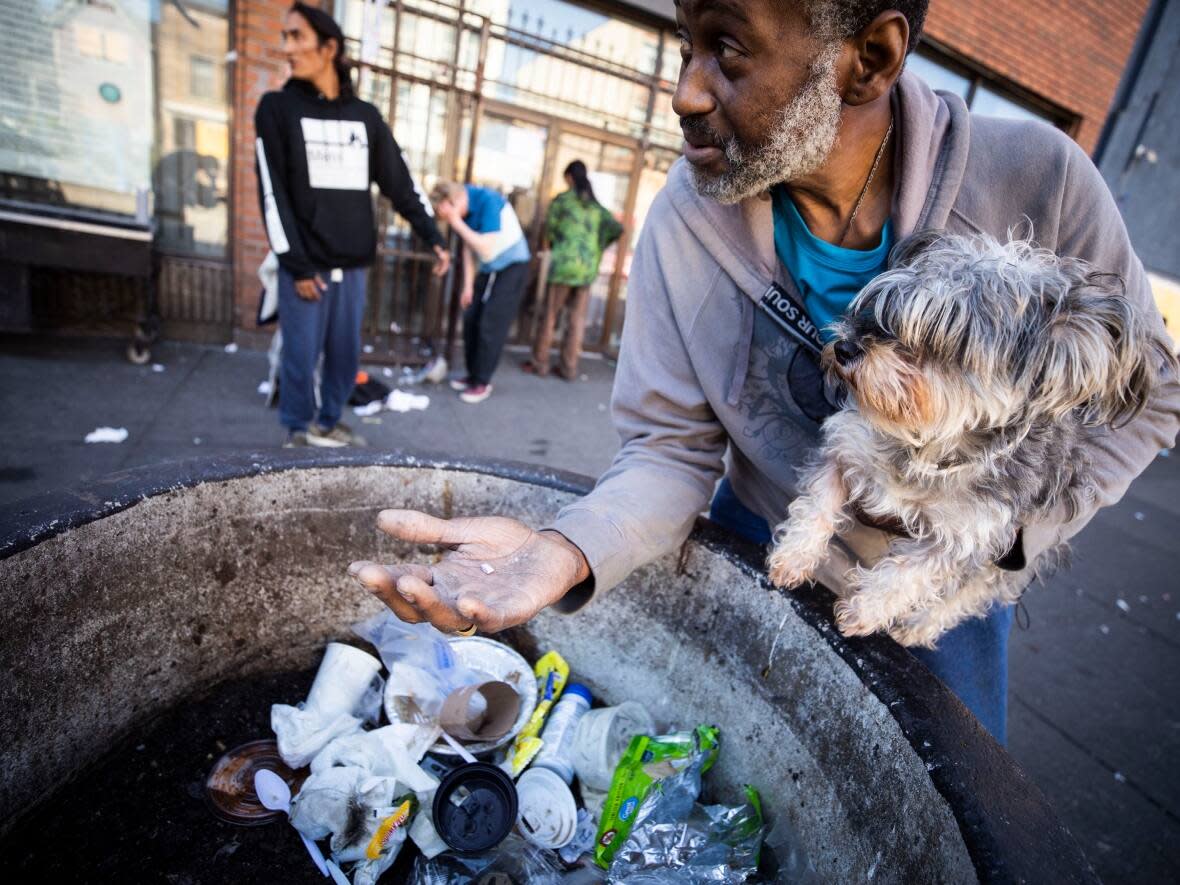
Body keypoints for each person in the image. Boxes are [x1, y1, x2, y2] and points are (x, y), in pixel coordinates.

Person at [348, 0, 1180, 744]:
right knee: (719, 768)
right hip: (761, 532)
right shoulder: (684, 218)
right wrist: (565, 549)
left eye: (729, 49)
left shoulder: (1039, 178)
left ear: (872, 57)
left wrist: (1009, 536)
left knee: (947, 823)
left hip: (950, 579)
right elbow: (669, 450)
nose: (685, 91)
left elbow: (1151, 396)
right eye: (685, 43)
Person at [255, 2, 450, 448]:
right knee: (300, 357)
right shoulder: (276, 108)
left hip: (354, 266)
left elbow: (400, 185)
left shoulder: (365, 117)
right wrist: (297, 266)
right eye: (285, 37)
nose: (286, 47)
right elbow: (272, 193)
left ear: (329, 47)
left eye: (296, 37)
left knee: (345, 357)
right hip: (307, 268)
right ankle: (297, 433)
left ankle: (327, 423)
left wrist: (434, 237)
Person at [430, 181, 532, 404]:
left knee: (490, 324)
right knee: (471, 318)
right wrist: (468, 286)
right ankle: (473, 374)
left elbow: (485, 246)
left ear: (455, 201)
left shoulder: (489, 201)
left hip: (513, 267)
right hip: (489, 268)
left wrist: (455, 221)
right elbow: (468, 247)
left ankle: (482, 382)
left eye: (448, 215)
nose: (449, 221)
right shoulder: (464, 208)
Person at [524, 161, 624, 379]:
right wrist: (597, 247)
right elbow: (617, 228)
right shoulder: (596, 207)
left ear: (569, 177)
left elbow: (548, 232)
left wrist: (556, 243)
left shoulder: (562, 201)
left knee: (550, 315)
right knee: (576, 320)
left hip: (564, 266)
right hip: (586, 269)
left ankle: (540, 363)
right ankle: (569, 368)